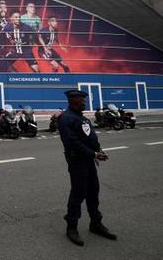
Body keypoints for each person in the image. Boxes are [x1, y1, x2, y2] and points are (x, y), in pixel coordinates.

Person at [58, 90, 117, 246]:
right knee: (78, 194)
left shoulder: (81, 117)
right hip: (77, 162)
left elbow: (91, 136)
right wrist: (93, 154)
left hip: (89, 160)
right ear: (72, 101)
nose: (84, 103)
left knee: (93, 192)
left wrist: (98, 150)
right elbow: (72, 142)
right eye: (81, 101)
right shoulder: (66, 118)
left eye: (84, 101)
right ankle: (71, 227)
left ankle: (95, 223)